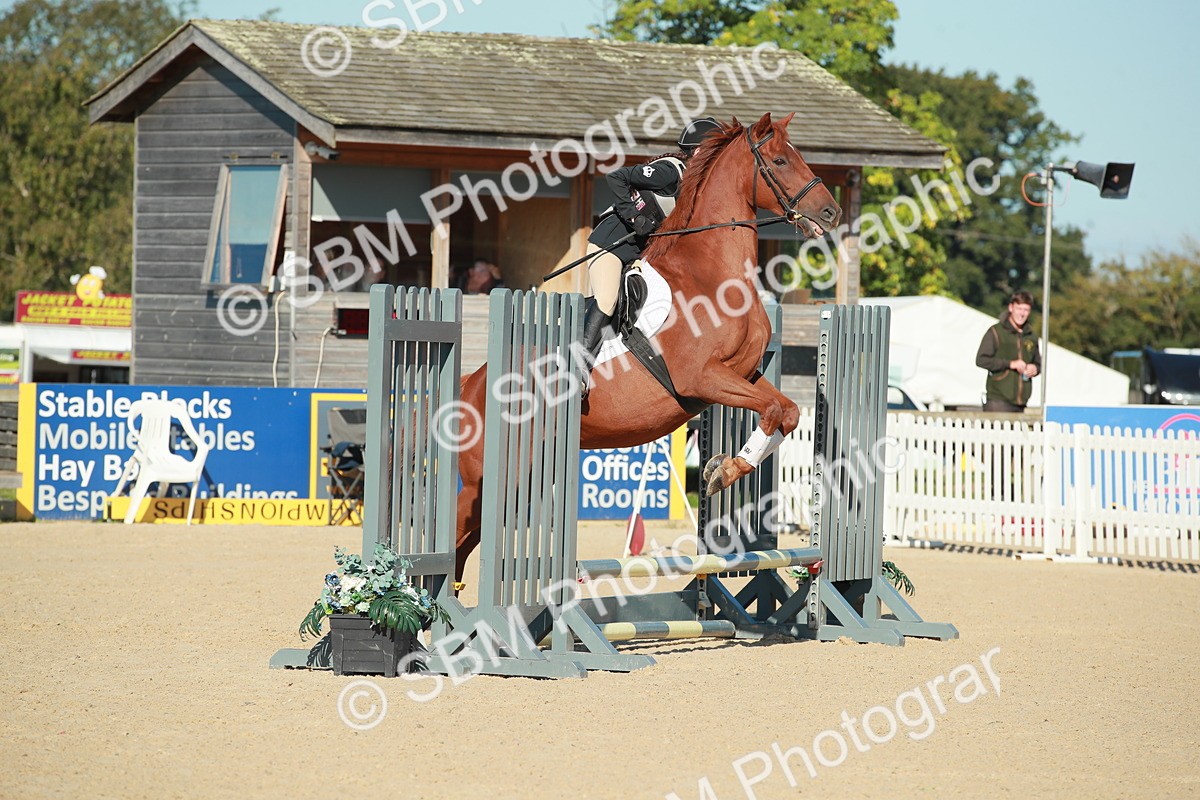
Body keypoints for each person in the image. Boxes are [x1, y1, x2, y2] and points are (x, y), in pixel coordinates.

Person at [578, 117, 723, 390]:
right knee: (608, 300)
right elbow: (616, 176)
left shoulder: (695, 187)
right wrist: (634, 217)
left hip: (637, 256)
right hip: (610, 246)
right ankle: (577, 369)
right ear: (700, 152)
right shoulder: (669, 172)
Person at [975, 290, 1041, 412]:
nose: (1022, 314)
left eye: (1026, 310)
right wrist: (1010, 364)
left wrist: (1035, 369)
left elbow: (1039, 363)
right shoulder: (995, 332)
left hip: (1022, 402)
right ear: (1011, 308)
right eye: (1019, 309)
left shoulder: (1031, 336)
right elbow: (981, 360)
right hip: (998, 400)